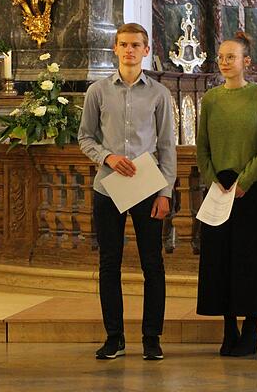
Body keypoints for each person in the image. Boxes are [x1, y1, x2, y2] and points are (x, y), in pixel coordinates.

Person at [78, 23, 176, 361]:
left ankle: (151, 337)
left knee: (152, 264)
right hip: (108, 187)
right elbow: (85, 137)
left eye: (136, 45)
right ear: (115, 49)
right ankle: (114, 336)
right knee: (109, 263)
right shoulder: (98, 91)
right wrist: (108, 156)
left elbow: (166, 146)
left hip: (148, 187)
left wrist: (166, 192)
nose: (130, 50)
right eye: (124, 44)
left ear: (146, 50)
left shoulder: (159, 94)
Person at [196, 32, 257, 358]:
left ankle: (251, 328)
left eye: (231, 56)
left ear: (246, 61)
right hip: (219, 188)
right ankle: (229, 325)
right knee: (222, 261)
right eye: (220, 56)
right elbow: (202, 145)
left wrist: (245, 180)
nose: (224, 62)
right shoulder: (212, 99)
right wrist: (212, 180)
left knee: (251, 262)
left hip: (251, 189)